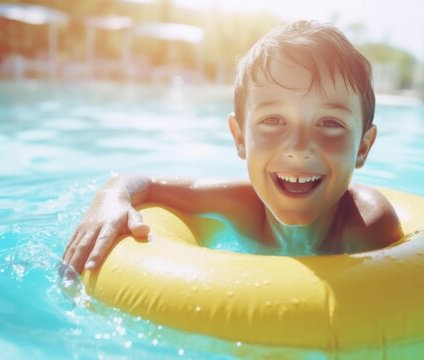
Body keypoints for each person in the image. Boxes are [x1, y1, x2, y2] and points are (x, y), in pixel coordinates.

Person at [61, 20, 403, 276]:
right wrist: (110, 199)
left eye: (330, 123)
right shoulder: (240, 207)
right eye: (273, 121)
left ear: (363, 147)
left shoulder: (369, 226)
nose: (298, 148)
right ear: (240, 138)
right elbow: (142, 183)